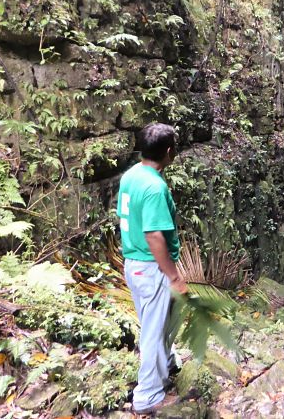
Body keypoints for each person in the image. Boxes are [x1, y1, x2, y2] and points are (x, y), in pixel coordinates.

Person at [117, 122, 188, 414]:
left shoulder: (132, 175)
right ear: (169, 152)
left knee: (163, 318)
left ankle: (167, 361)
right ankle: (147, 396)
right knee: (152, 329)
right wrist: (173, 275)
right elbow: (154, 235)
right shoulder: (155, 187)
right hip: (151, 267)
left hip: (134, 263)